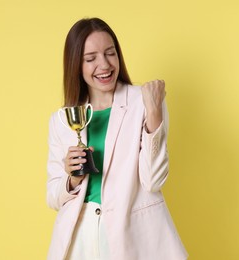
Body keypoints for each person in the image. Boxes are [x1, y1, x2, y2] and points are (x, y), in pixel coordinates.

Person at [46, 17, 188, 260]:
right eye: (90, 58)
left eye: (110, 53)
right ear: (76, 65)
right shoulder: (63, 119)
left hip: (130, 236)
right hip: (79, 237)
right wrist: (72, 179)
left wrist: (153, 113)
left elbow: (153, 181)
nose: (104, 65)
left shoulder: (144, 101)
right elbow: (53, 196)